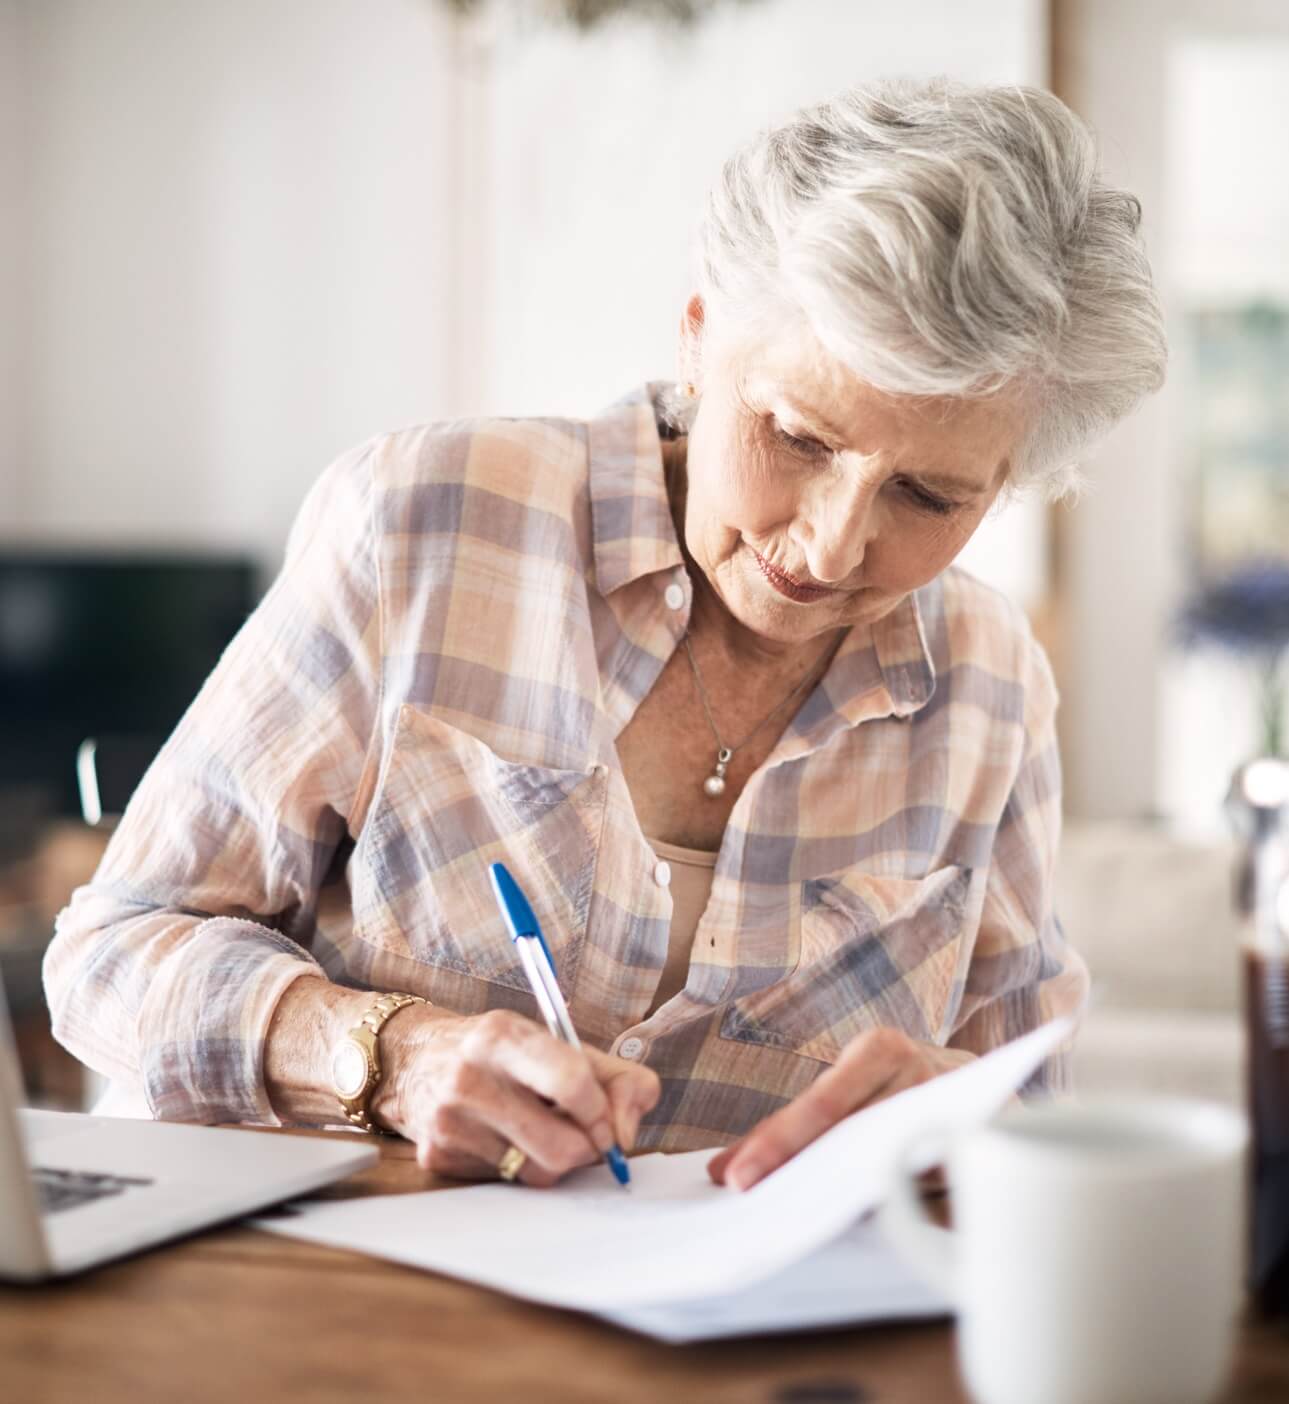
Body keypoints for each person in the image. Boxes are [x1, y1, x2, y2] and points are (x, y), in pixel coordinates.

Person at [44, 77, 1165, 1191]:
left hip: (735, 1344)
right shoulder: (423, 521)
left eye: (927, 498)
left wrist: (955, 1129)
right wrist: (388, 1055)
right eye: (795, 438)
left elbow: (1028, 1109)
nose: (829, 549)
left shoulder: (988, 685)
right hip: (331, 1308)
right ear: (697, 340)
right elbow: (110, 955)